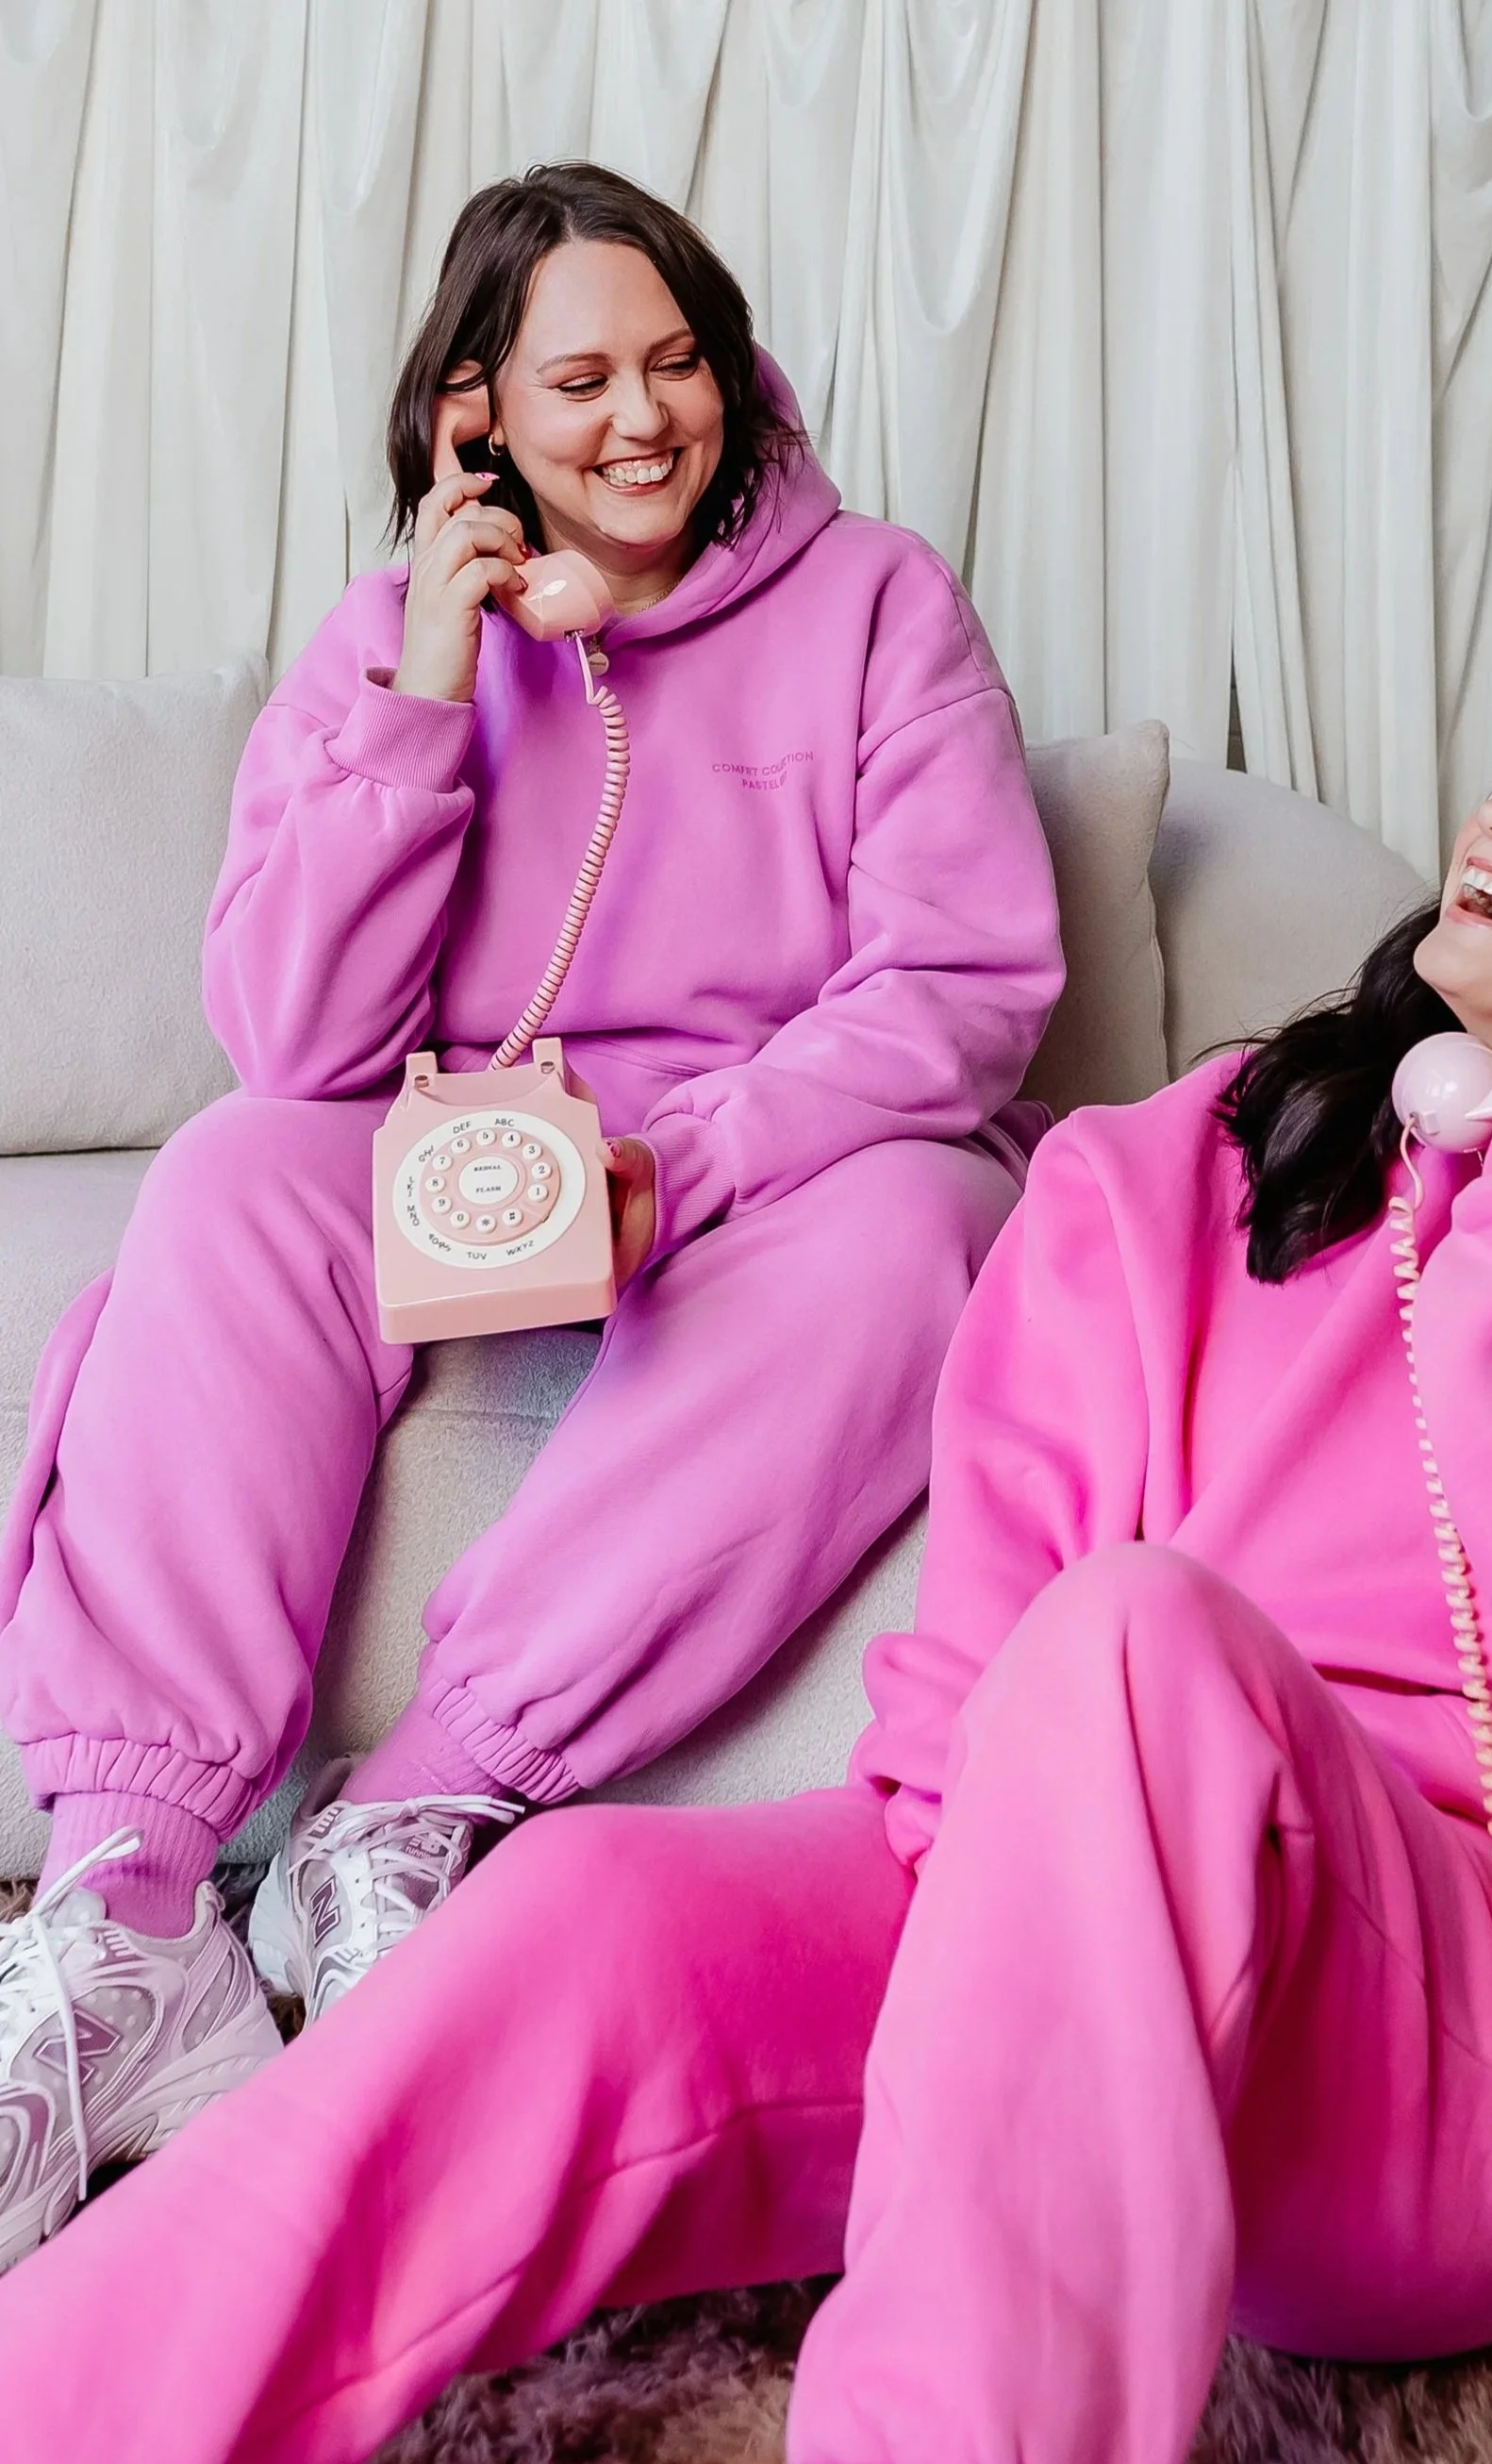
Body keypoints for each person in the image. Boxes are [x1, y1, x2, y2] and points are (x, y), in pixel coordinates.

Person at [0, 703, 1492, 2464]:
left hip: (1462, 2075)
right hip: (1077, 1952)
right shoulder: (1192, 1153)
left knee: (1140, 1641)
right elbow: (990, 1653)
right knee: (586, 1910)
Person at [0, 163, 1061, 2273]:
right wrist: (420, 683)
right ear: (474, 412)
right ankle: (130, 1909)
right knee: (220, 1174)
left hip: (764, 1169)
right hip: (442, 1141)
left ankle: (421, 1805)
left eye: (678, 361)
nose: (645, 417)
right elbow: (293, 1042)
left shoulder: (875, 602)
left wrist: (695, 1163)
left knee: (923, 1236)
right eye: (578, 379)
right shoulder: (383, 641)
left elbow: (961, 989)